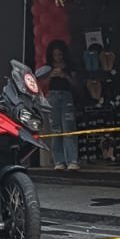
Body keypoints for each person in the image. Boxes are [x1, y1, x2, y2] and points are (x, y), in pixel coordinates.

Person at [45, 39, 80, 171]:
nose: (57, 57)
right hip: (52, 97)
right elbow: (41, 84)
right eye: (55, 55)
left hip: (66, 96)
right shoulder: (47, 67)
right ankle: (59, 161)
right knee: (56, 129)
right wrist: (51, 75)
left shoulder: (70, 66)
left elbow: (75, 84)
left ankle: (72, 160)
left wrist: (65, 76)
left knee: (68, 128)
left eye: (59, 54)